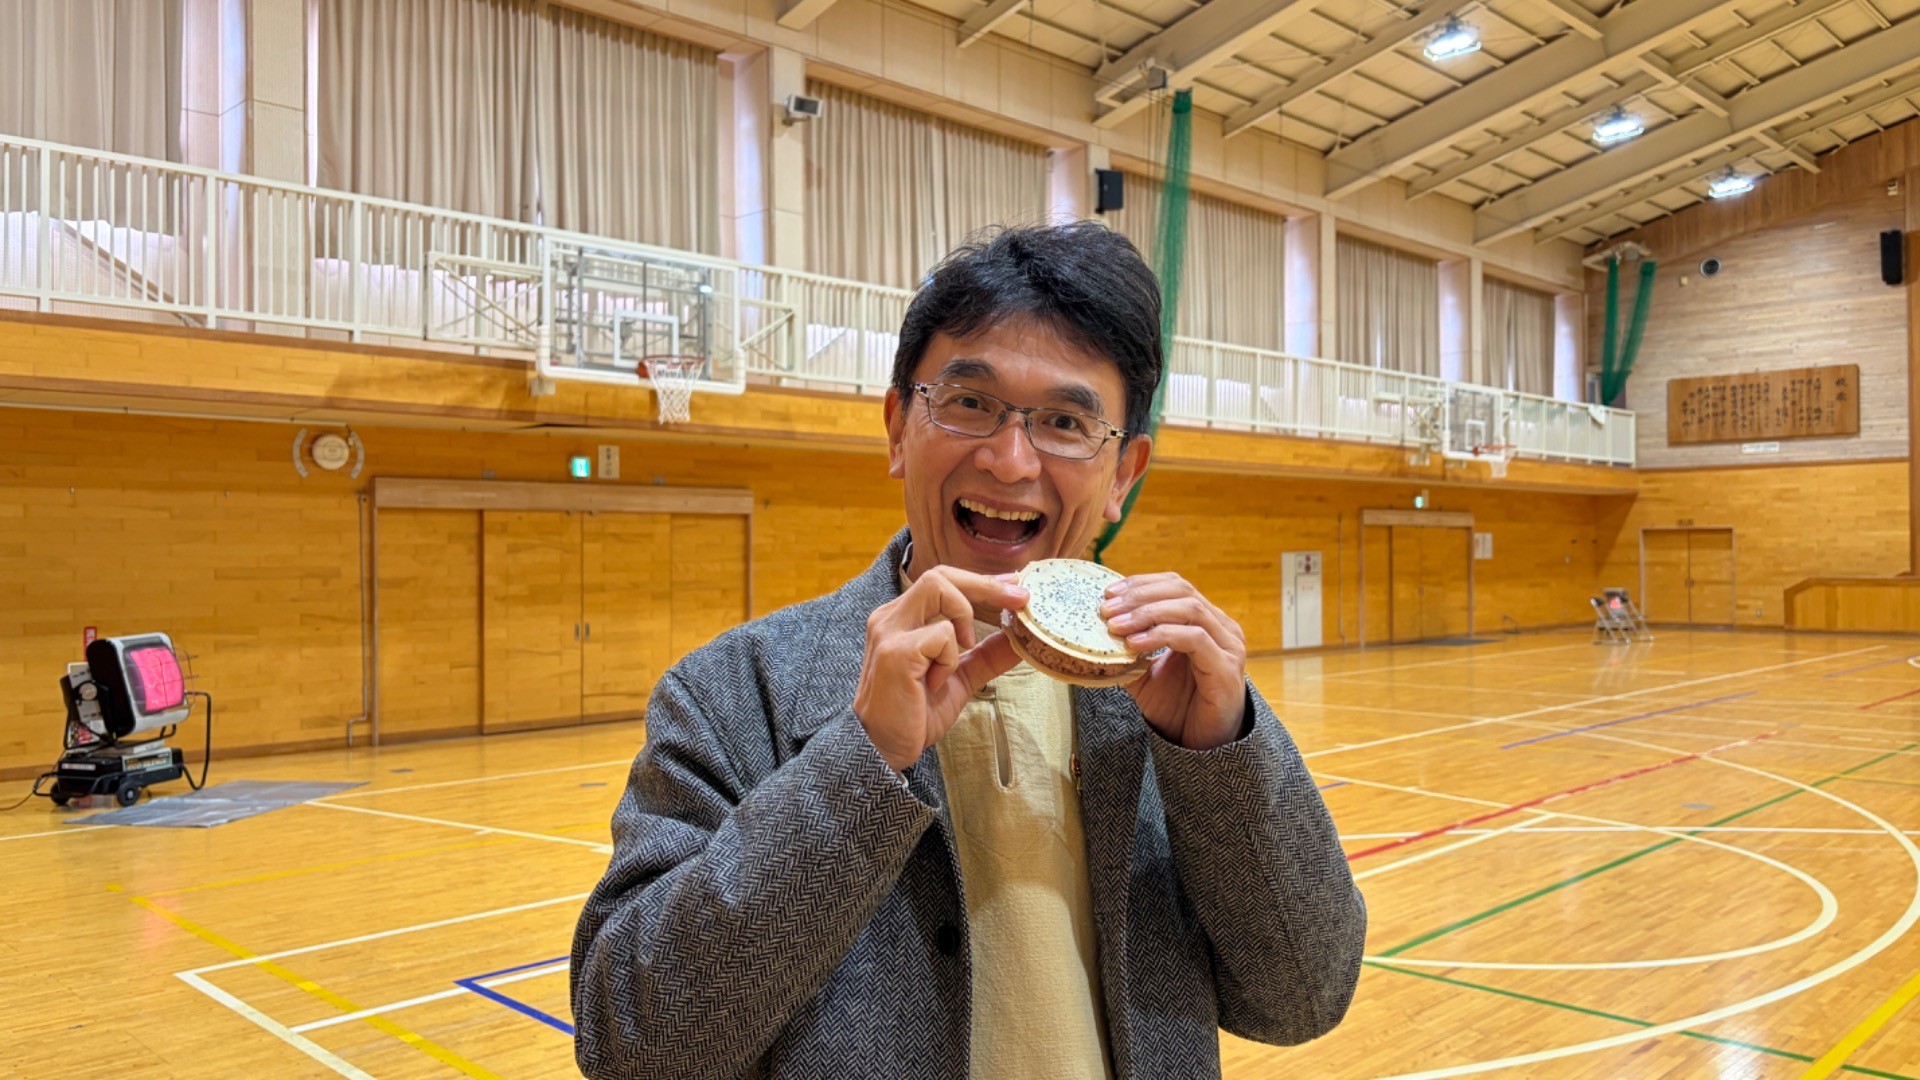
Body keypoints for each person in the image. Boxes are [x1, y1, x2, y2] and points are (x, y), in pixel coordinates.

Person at [571, 222, 1366, 1080]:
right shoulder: (732, 693)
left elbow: (1303, 997)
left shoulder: (1176, 702)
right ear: (897, 428)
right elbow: (630, 1043)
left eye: (1066, 421)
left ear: (1123, 475)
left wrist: (1221, 757)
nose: (1011, 460)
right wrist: (859, 763)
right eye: (970, 403)